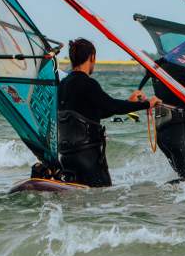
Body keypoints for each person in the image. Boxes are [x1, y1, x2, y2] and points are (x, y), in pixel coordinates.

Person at [57, 38, 160, 187]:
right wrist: (146, 104)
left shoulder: (63, 85)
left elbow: (96, 112)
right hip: (88, 157)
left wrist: (130, 103)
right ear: (92, 57)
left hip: (67, 158)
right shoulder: (88, 83)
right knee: (100, 198)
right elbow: (112, 106)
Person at [140, 58, 185, 183]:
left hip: (164, 131)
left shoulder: (159, 66)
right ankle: (159, 197)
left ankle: (164, 198)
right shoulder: (177, 66)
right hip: (174, 130)